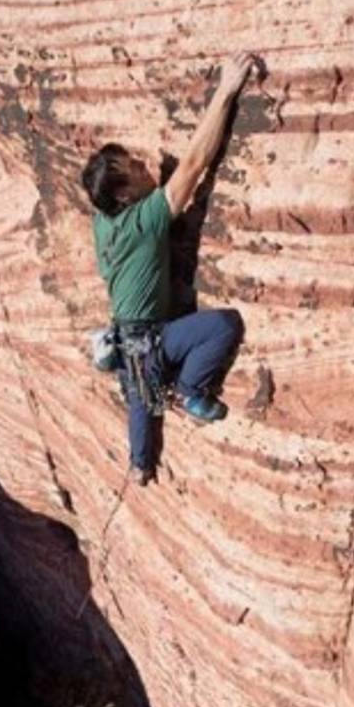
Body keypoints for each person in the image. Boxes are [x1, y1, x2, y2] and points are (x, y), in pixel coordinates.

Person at [81, 52, 255, 486]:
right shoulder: (145, 220)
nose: (145, 167)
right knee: (222, 326)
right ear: (123, 197)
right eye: (134, 169)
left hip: (126, 342)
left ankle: (141, 465)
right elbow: (195, 164)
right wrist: (226, 91)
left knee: (140, 398)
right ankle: (193, 390)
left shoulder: (103, 223)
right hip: (151, 340)